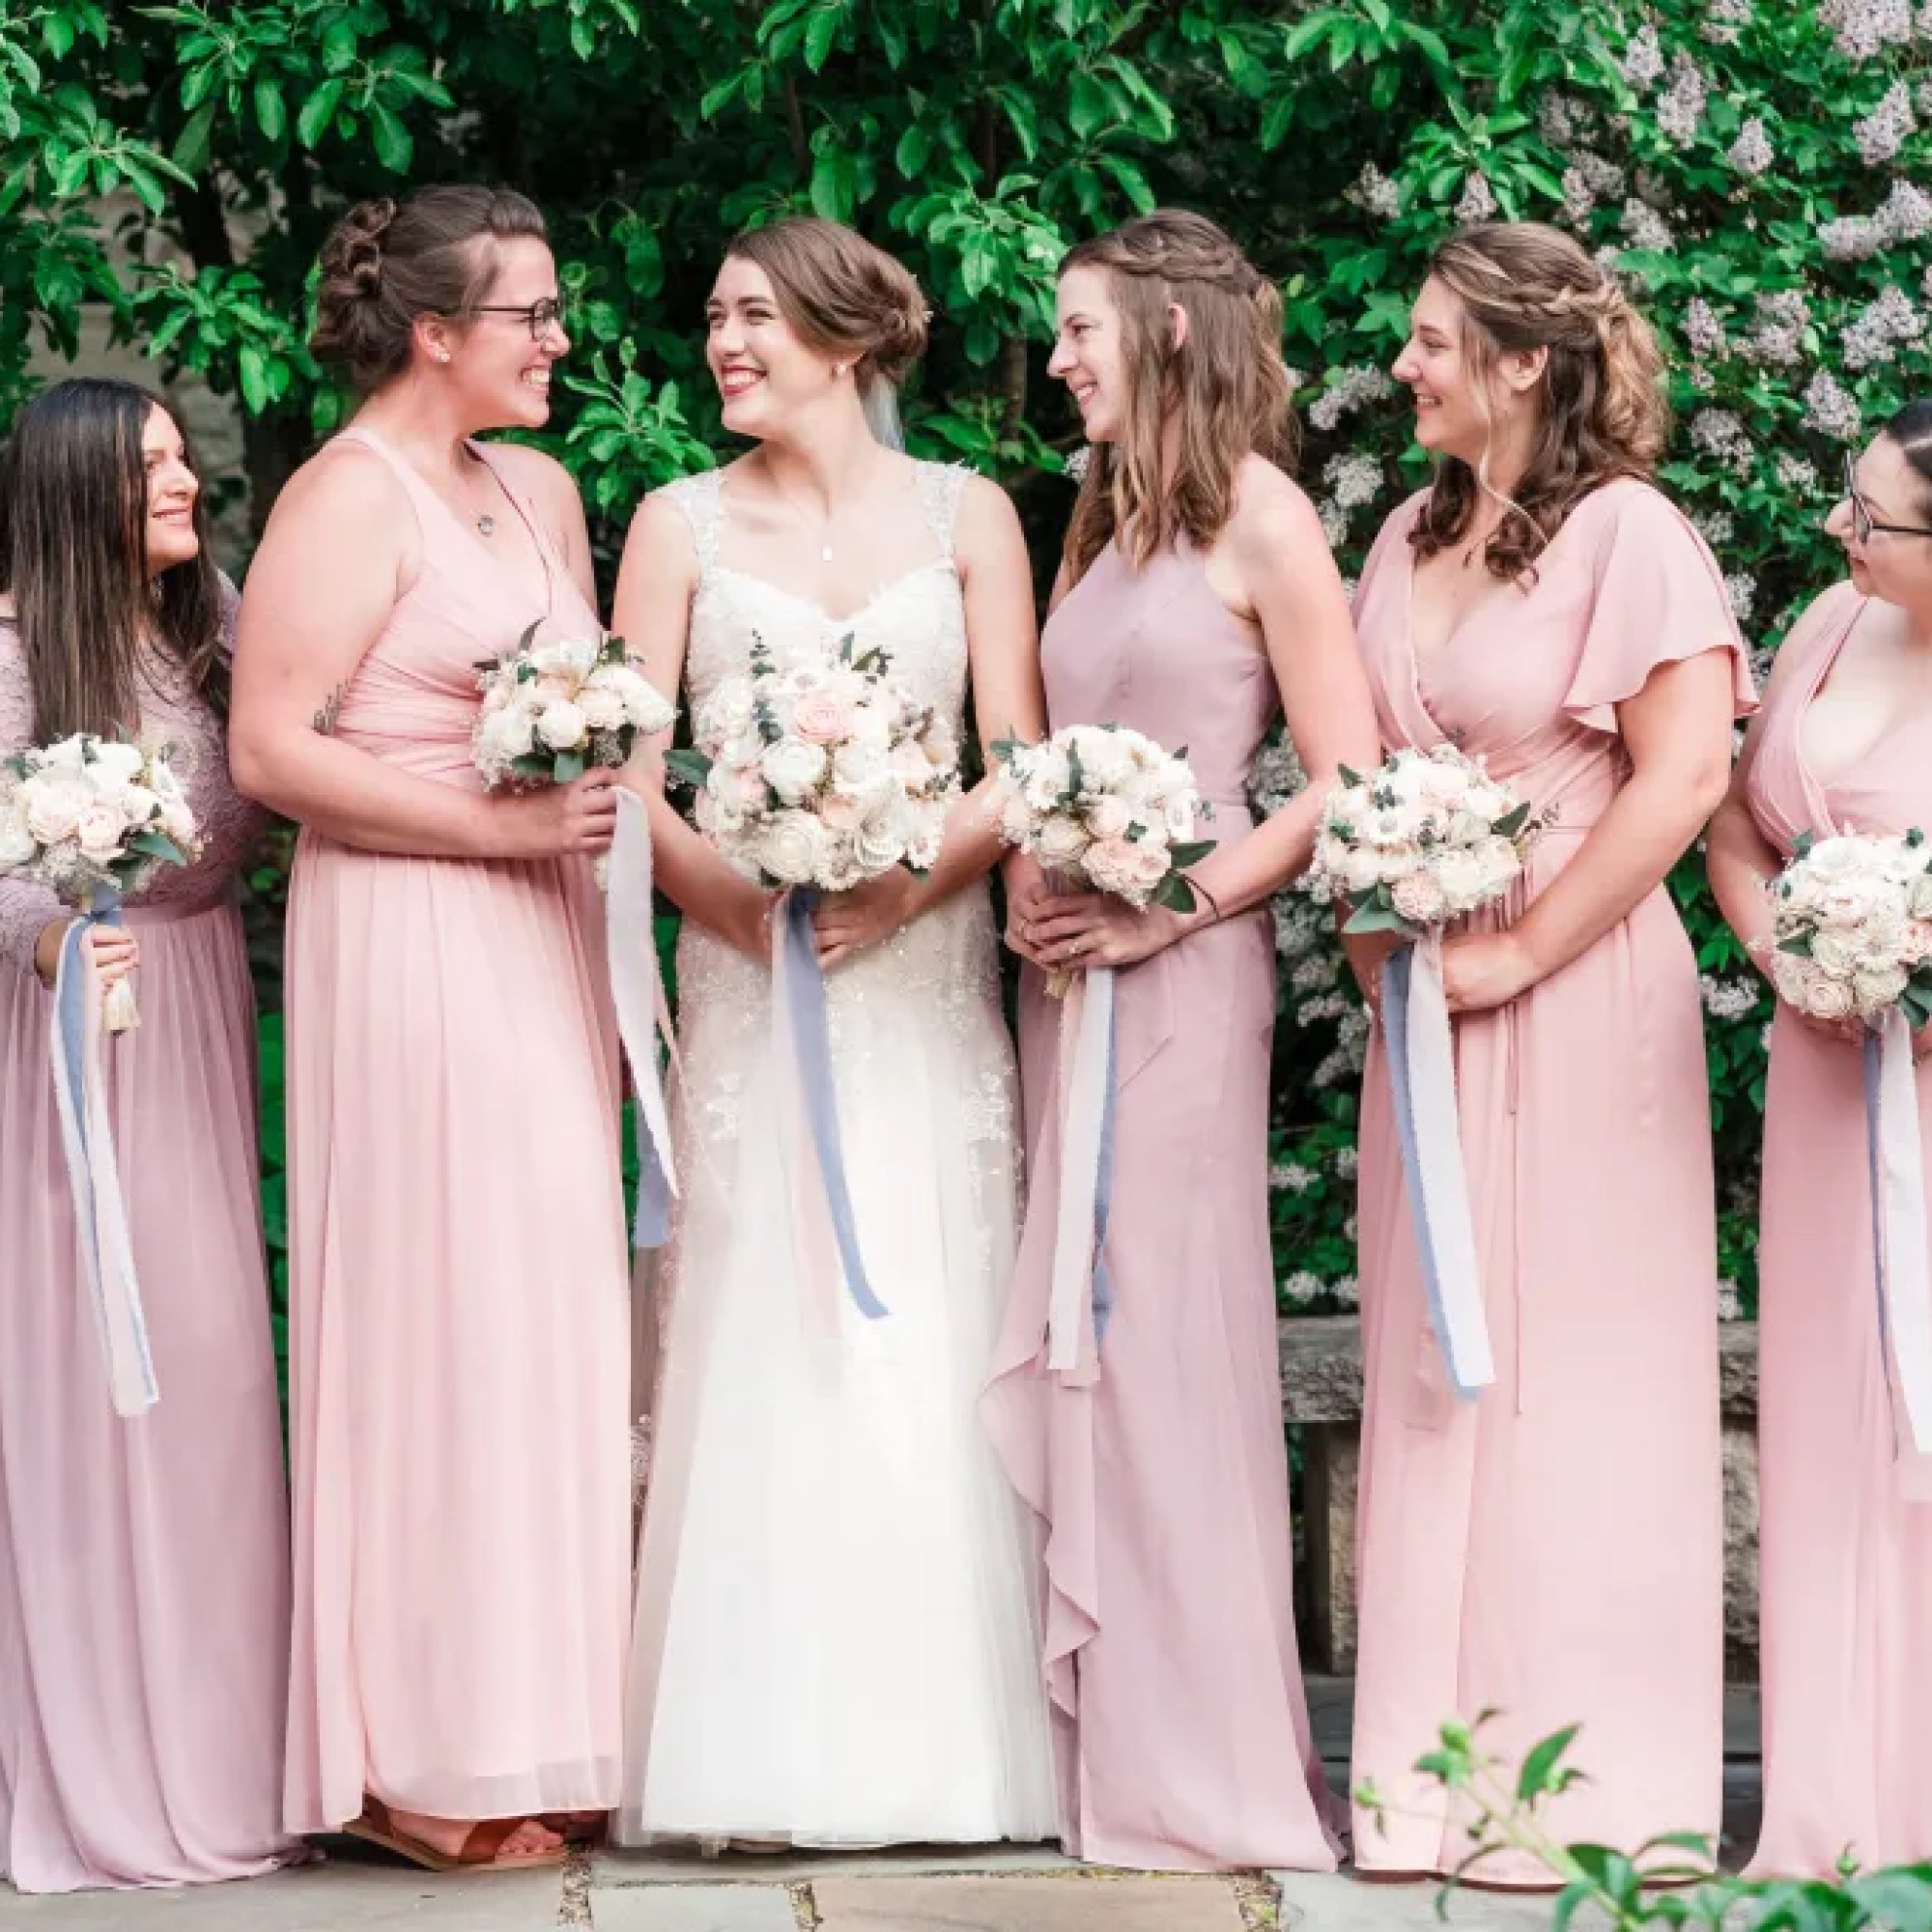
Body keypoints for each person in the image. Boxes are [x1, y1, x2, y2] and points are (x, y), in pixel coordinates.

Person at [611, 215, 1057, 1849]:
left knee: (920, 1314)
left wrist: (908, 879)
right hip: (751, 970)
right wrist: (746, 910)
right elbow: (626, 773)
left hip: (922, 978)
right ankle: (748, 1750)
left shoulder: (971, 516)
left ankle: (941, 1754)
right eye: (716, 317)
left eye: (755, 319)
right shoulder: (672, 525)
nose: (725, 344)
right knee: (761, 1319)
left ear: (849, 339)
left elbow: (1016, 760)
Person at [1344, 222, 1753, 1880]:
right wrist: (1387, 914)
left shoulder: (1630, 535)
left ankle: (1585, 1790)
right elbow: (1361, 769)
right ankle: (1424, 1789)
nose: (1405, 366)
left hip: (1577, 998)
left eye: (1435, 341)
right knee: (1437, 1367)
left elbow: (1683, 779)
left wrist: (1515, 944)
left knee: (1573, 1377)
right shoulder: (1398, 534)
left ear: (1524, 362)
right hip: (1421, 1011)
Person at [230, 186, 630, 1871]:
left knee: (548, 1308)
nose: (558, 342)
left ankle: (541, 1719)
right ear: (435, 333)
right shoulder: (345, 496)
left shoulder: (539, 487)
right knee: (437, 1311)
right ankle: (415, 1761)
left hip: (542, 933)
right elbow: (270, 752)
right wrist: (498, 830)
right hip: (408, 927)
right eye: (530, 317)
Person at [981, 209, 1380, 1872]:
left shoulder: (1267, 521)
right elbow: (1048, 741)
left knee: (1161, 1340)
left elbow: (1344, 784)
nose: (1059, 358)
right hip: (1065, 968)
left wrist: (1179, 904)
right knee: (1081, 1330)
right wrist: (1027, 876)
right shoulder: (1094, 517)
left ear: (1162, 331)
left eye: (1079, 329)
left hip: (1185, 974)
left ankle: (1201, 1770)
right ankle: (1100, 1756)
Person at [0, 378, 294, 1891]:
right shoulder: (8, 648)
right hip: (72, 1029)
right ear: (76, 494)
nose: (186, 482)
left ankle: (228, 1747)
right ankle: (108, 1755)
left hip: (192, 1013)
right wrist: (44, 938)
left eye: (184, 456)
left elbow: (305, 736)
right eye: (155, 466)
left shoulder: (209, 619)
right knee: (100, 1383)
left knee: (218, 1383)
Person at [1710, 405, 1932, 1878]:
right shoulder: (1825, 624)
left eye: (1874, 519)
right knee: (1829, 1415)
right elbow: (1738, 828)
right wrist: (1793, 962)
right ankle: (1834, 1793)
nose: (1839, 535)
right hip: (1823, 1071)